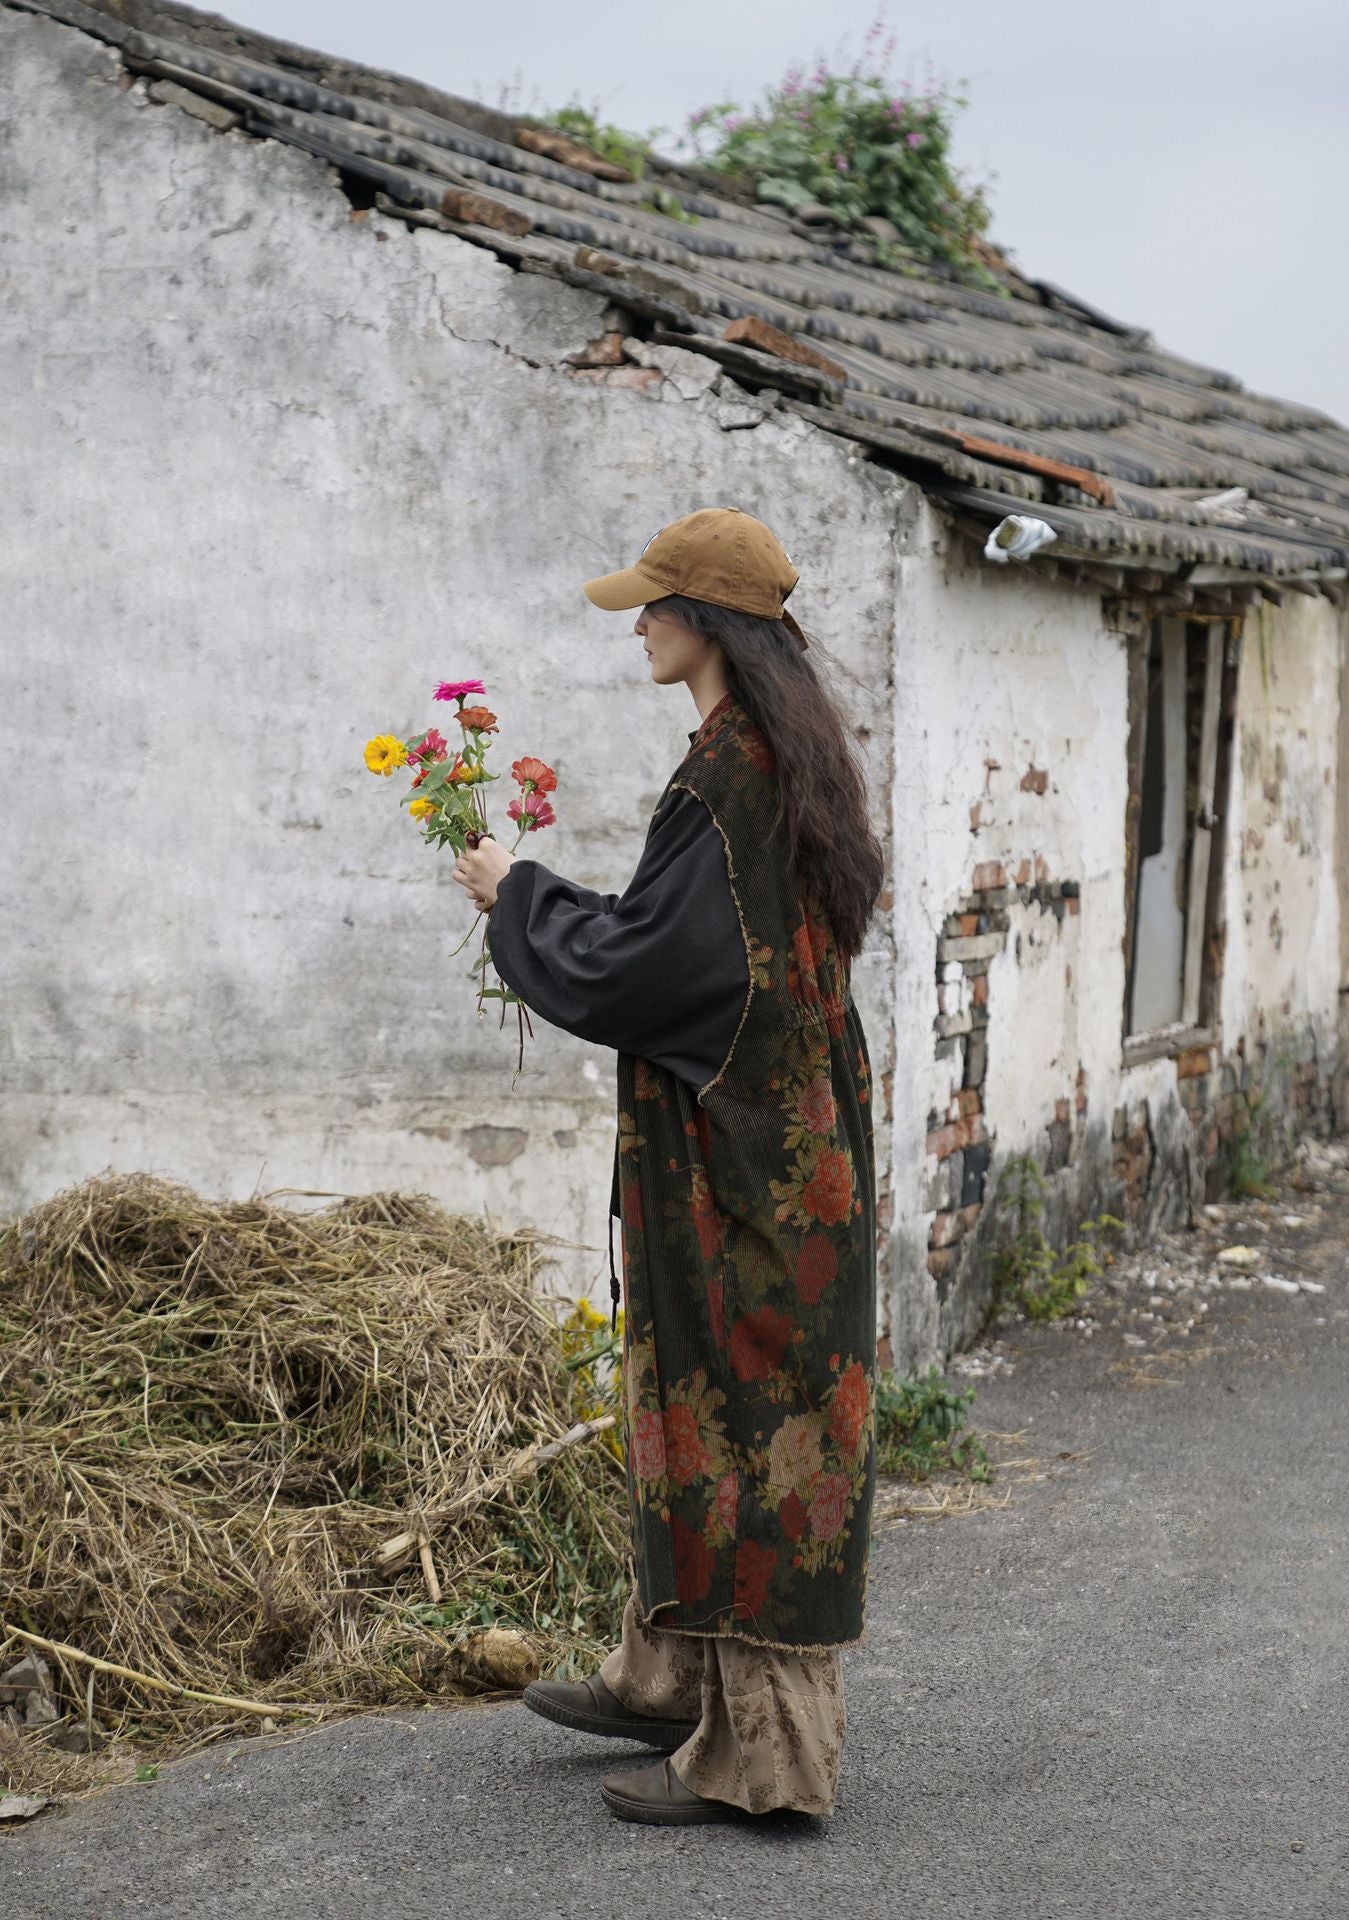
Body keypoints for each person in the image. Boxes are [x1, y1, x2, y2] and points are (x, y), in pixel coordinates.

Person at [452, 507, 885, 1827]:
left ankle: (766, 1762)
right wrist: (549, 898)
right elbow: (676, 939)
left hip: (746, 1167)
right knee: (707, 1396)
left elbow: (656, 968)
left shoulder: (732, 775)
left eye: (652, 604)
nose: (636, 623)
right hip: (775, 1143)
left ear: (708, 623)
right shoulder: (766, 755)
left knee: (752, 1420)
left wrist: (520, 896)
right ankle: (665, 1676)